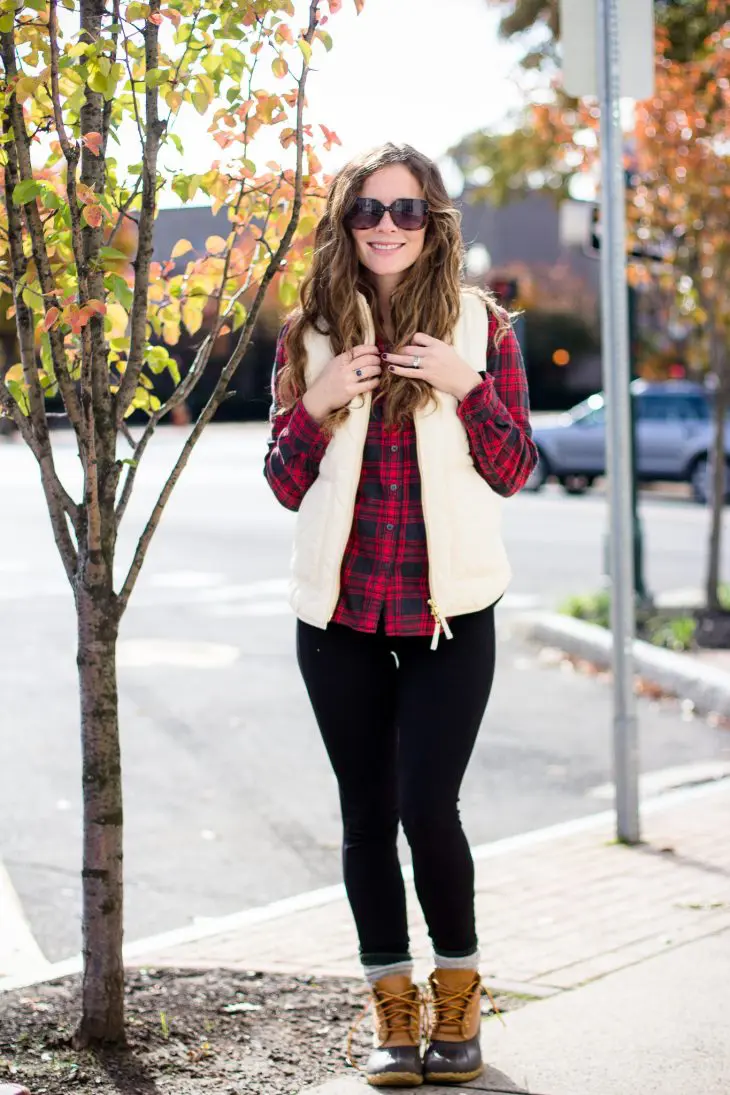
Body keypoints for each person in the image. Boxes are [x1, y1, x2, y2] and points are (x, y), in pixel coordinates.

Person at [264, 142, 537, 1087]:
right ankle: (392, 1006)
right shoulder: (308, 335)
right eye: (369, 211)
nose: (387, 226)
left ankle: (457, 995)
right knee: (365, 814)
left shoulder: (483, 329)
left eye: (408, 210)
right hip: (337, 617)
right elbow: (284, 482)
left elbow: (513, 470)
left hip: (449, 616)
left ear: (436, 222)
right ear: (346, 224)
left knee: (429, 805)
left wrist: (467, 386)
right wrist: (322, 401)